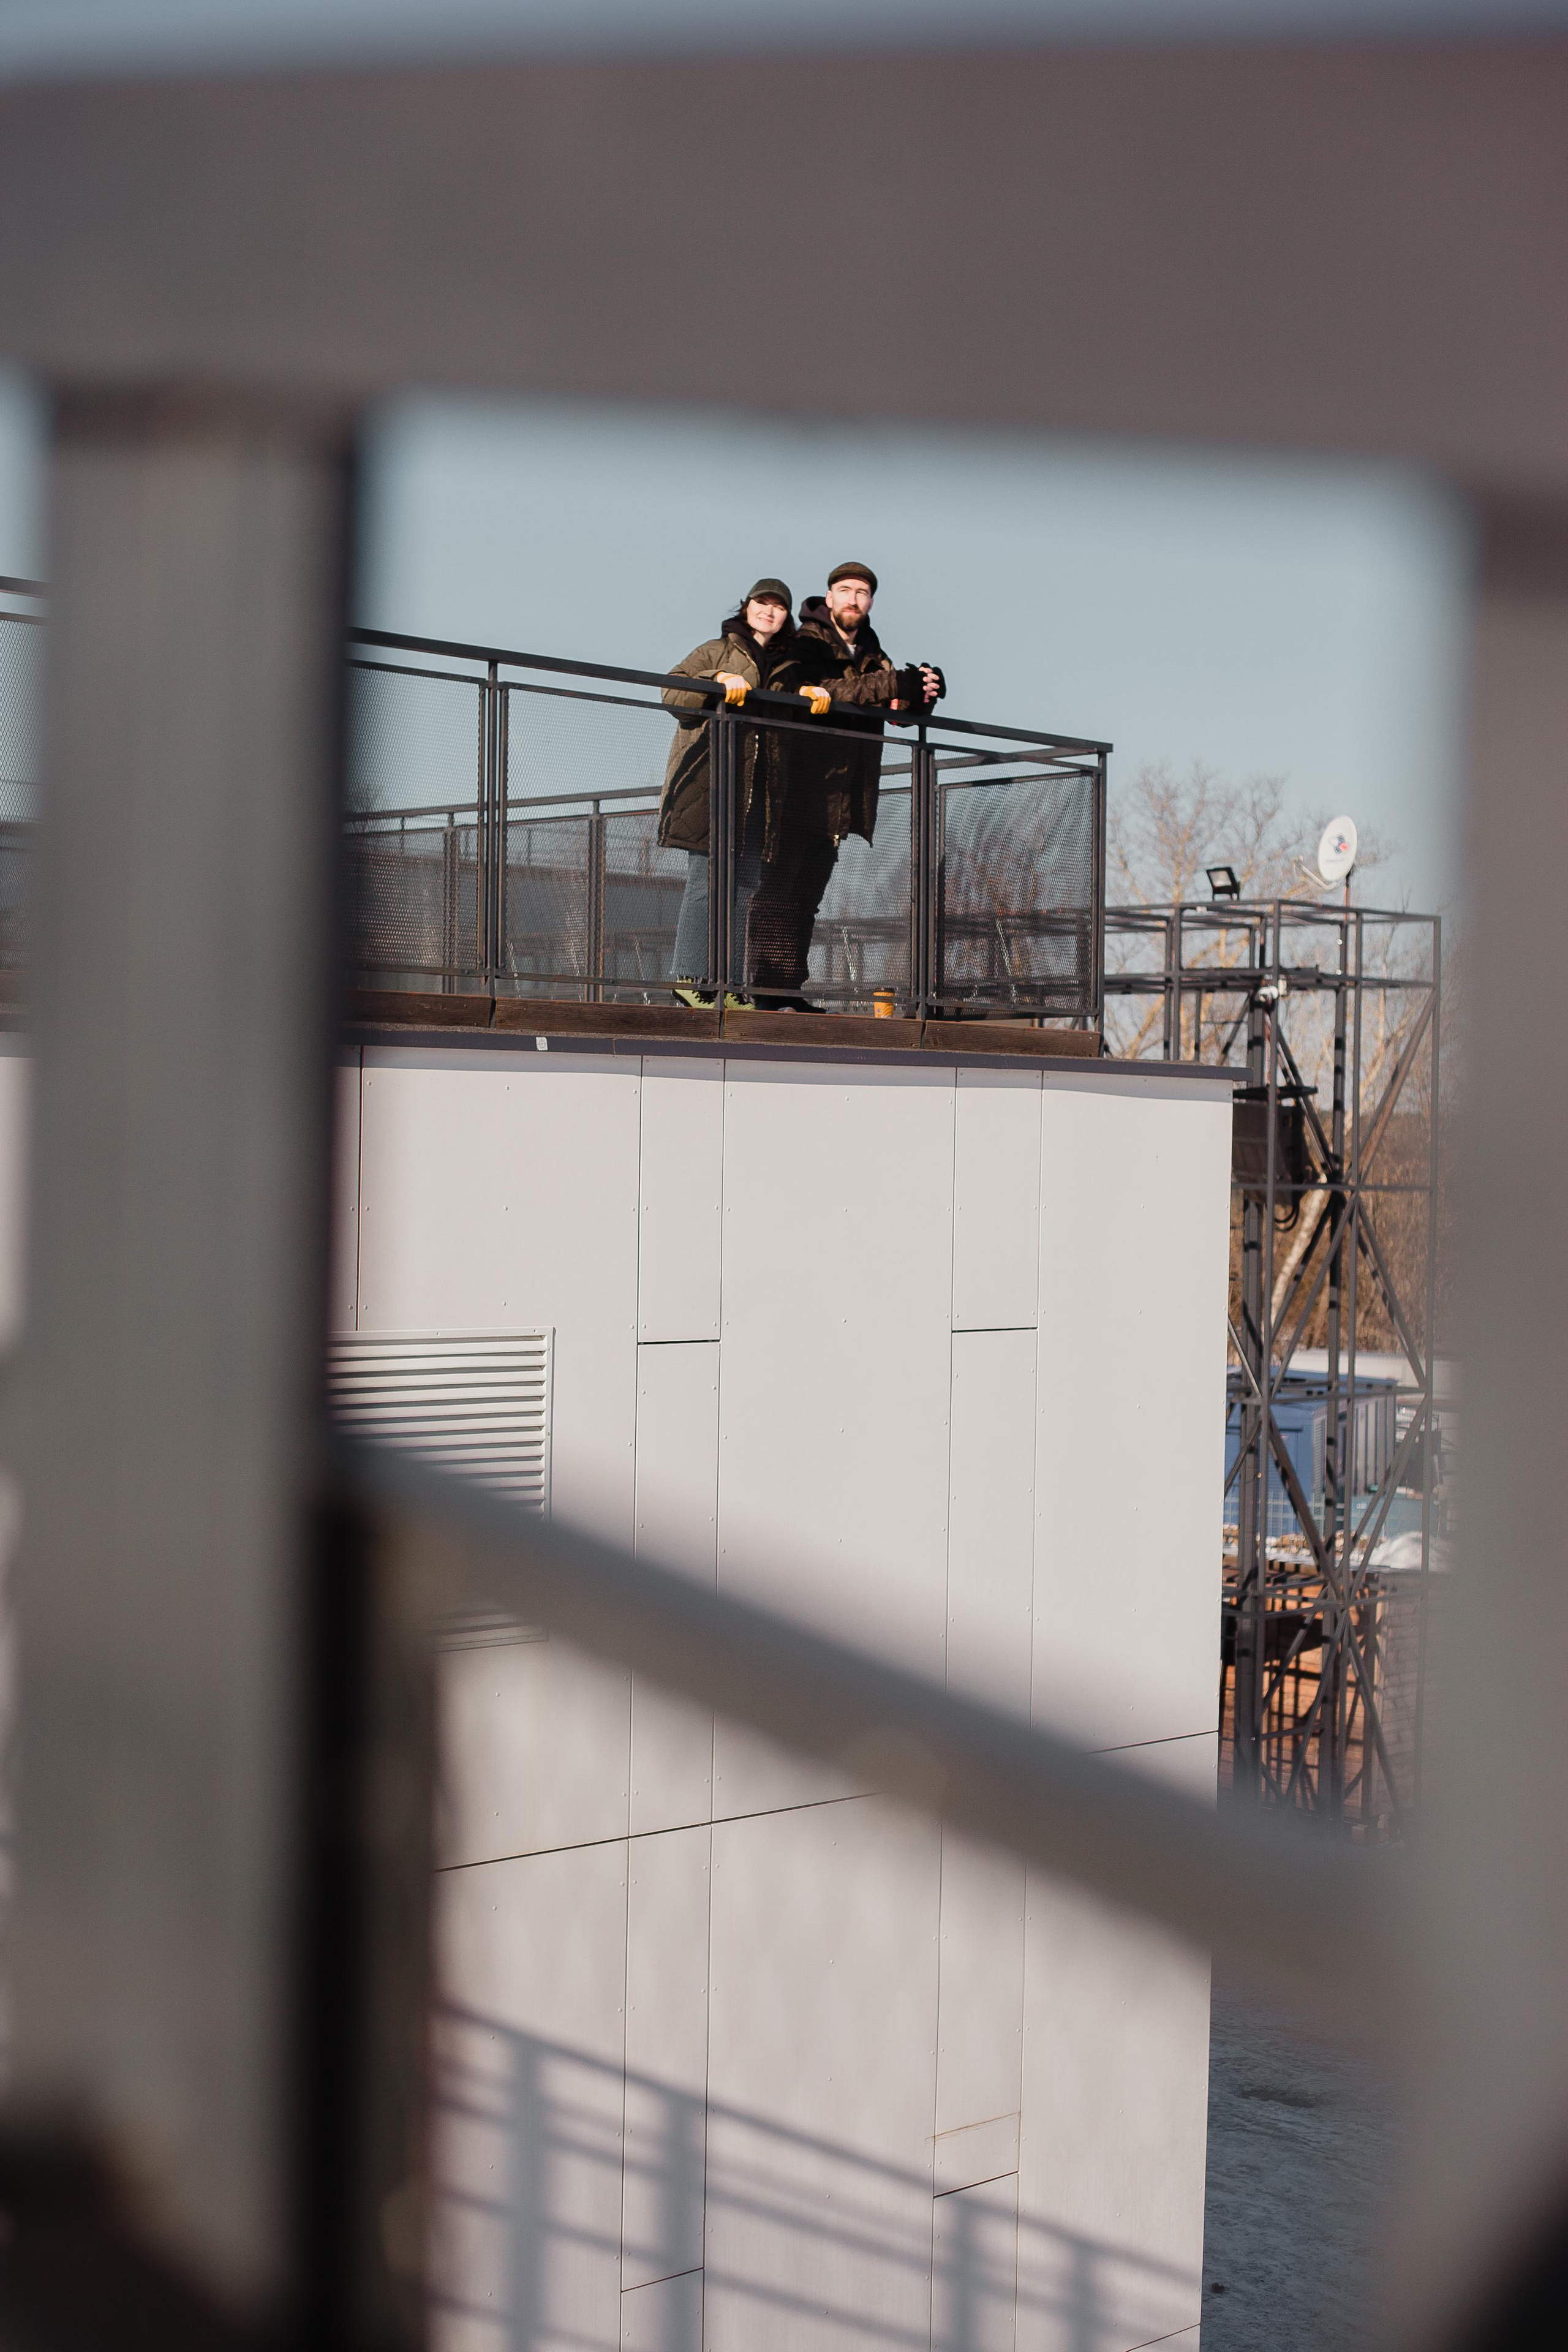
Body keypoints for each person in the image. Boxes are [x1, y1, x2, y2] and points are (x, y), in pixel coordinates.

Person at [747, 562, 943, 1010]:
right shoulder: (803, 644)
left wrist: (923, 693)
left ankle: (788, 990)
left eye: (863, 593)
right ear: (829, 597)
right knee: (776, 892)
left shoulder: (875, 654)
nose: (854, 599)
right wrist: (892, 683)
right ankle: (760, 989)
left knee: (807, 898)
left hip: (842, 798)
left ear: (871, 602)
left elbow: (895, 708)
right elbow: (819, 690)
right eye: (846, 590)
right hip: (796, 787)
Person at [657, 579, 827, 1006]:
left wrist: (810, 693)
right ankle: (690, 979)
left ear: (787, 616)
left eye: (778, 607)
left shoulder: (789, 667)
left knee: (745, 885)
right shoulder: (718, 649)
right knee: (707, 881)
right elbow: (671, 691)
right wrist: (715, 680)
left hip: (762, 793)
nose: (769, 611)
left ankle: (727, 985)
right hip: (712, 785)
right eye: (761, 603)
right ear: (747, 607)